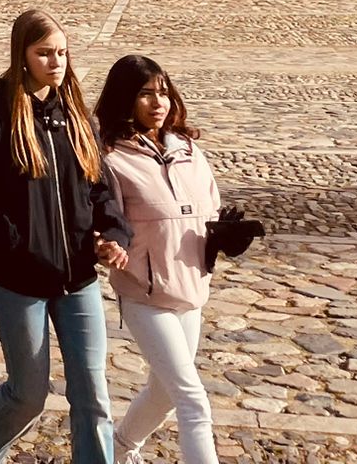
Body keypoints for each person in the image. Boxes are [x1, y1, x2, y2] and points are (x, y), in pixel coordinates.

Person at [0, 8, 131, 464]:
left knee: (92, 393)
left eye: (62, 53)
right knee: (28, 394)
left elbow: (100, 186)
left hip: (79, 280)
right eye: (44, 53)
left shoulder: (76, 116)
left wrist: (111, 233)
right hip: (18, 282)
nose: (56, 62)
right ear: (22, 55)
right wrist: (14, 239)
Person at [96, 55, 223, 464]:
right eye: (145, 94)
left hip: (190, 288)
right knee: (192, 400)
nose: (158, 102)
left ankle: (120, 446)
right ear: (125, 100)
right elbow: (103, 217)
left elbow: (211, 209)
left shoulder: (188, 150)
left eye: (163, 92)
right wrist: (107, 246)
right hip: (144, 294)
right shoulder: (112, 157)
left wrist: (226, 236)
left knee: (166, 391)